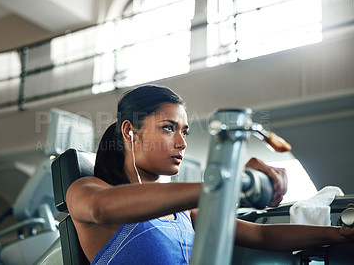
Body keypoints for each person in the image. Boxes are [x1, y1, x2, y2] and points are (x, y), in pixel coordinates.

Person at [66, 85, 354, 264]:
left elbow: (261, 235)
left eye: (185, 132)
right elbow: (101, 208)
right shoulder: (86, 189)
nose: (182, 142)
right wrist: (229, 182)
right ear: (130, 131)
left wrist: (339, 234)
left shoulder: (186, 211)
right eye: (168, 128)